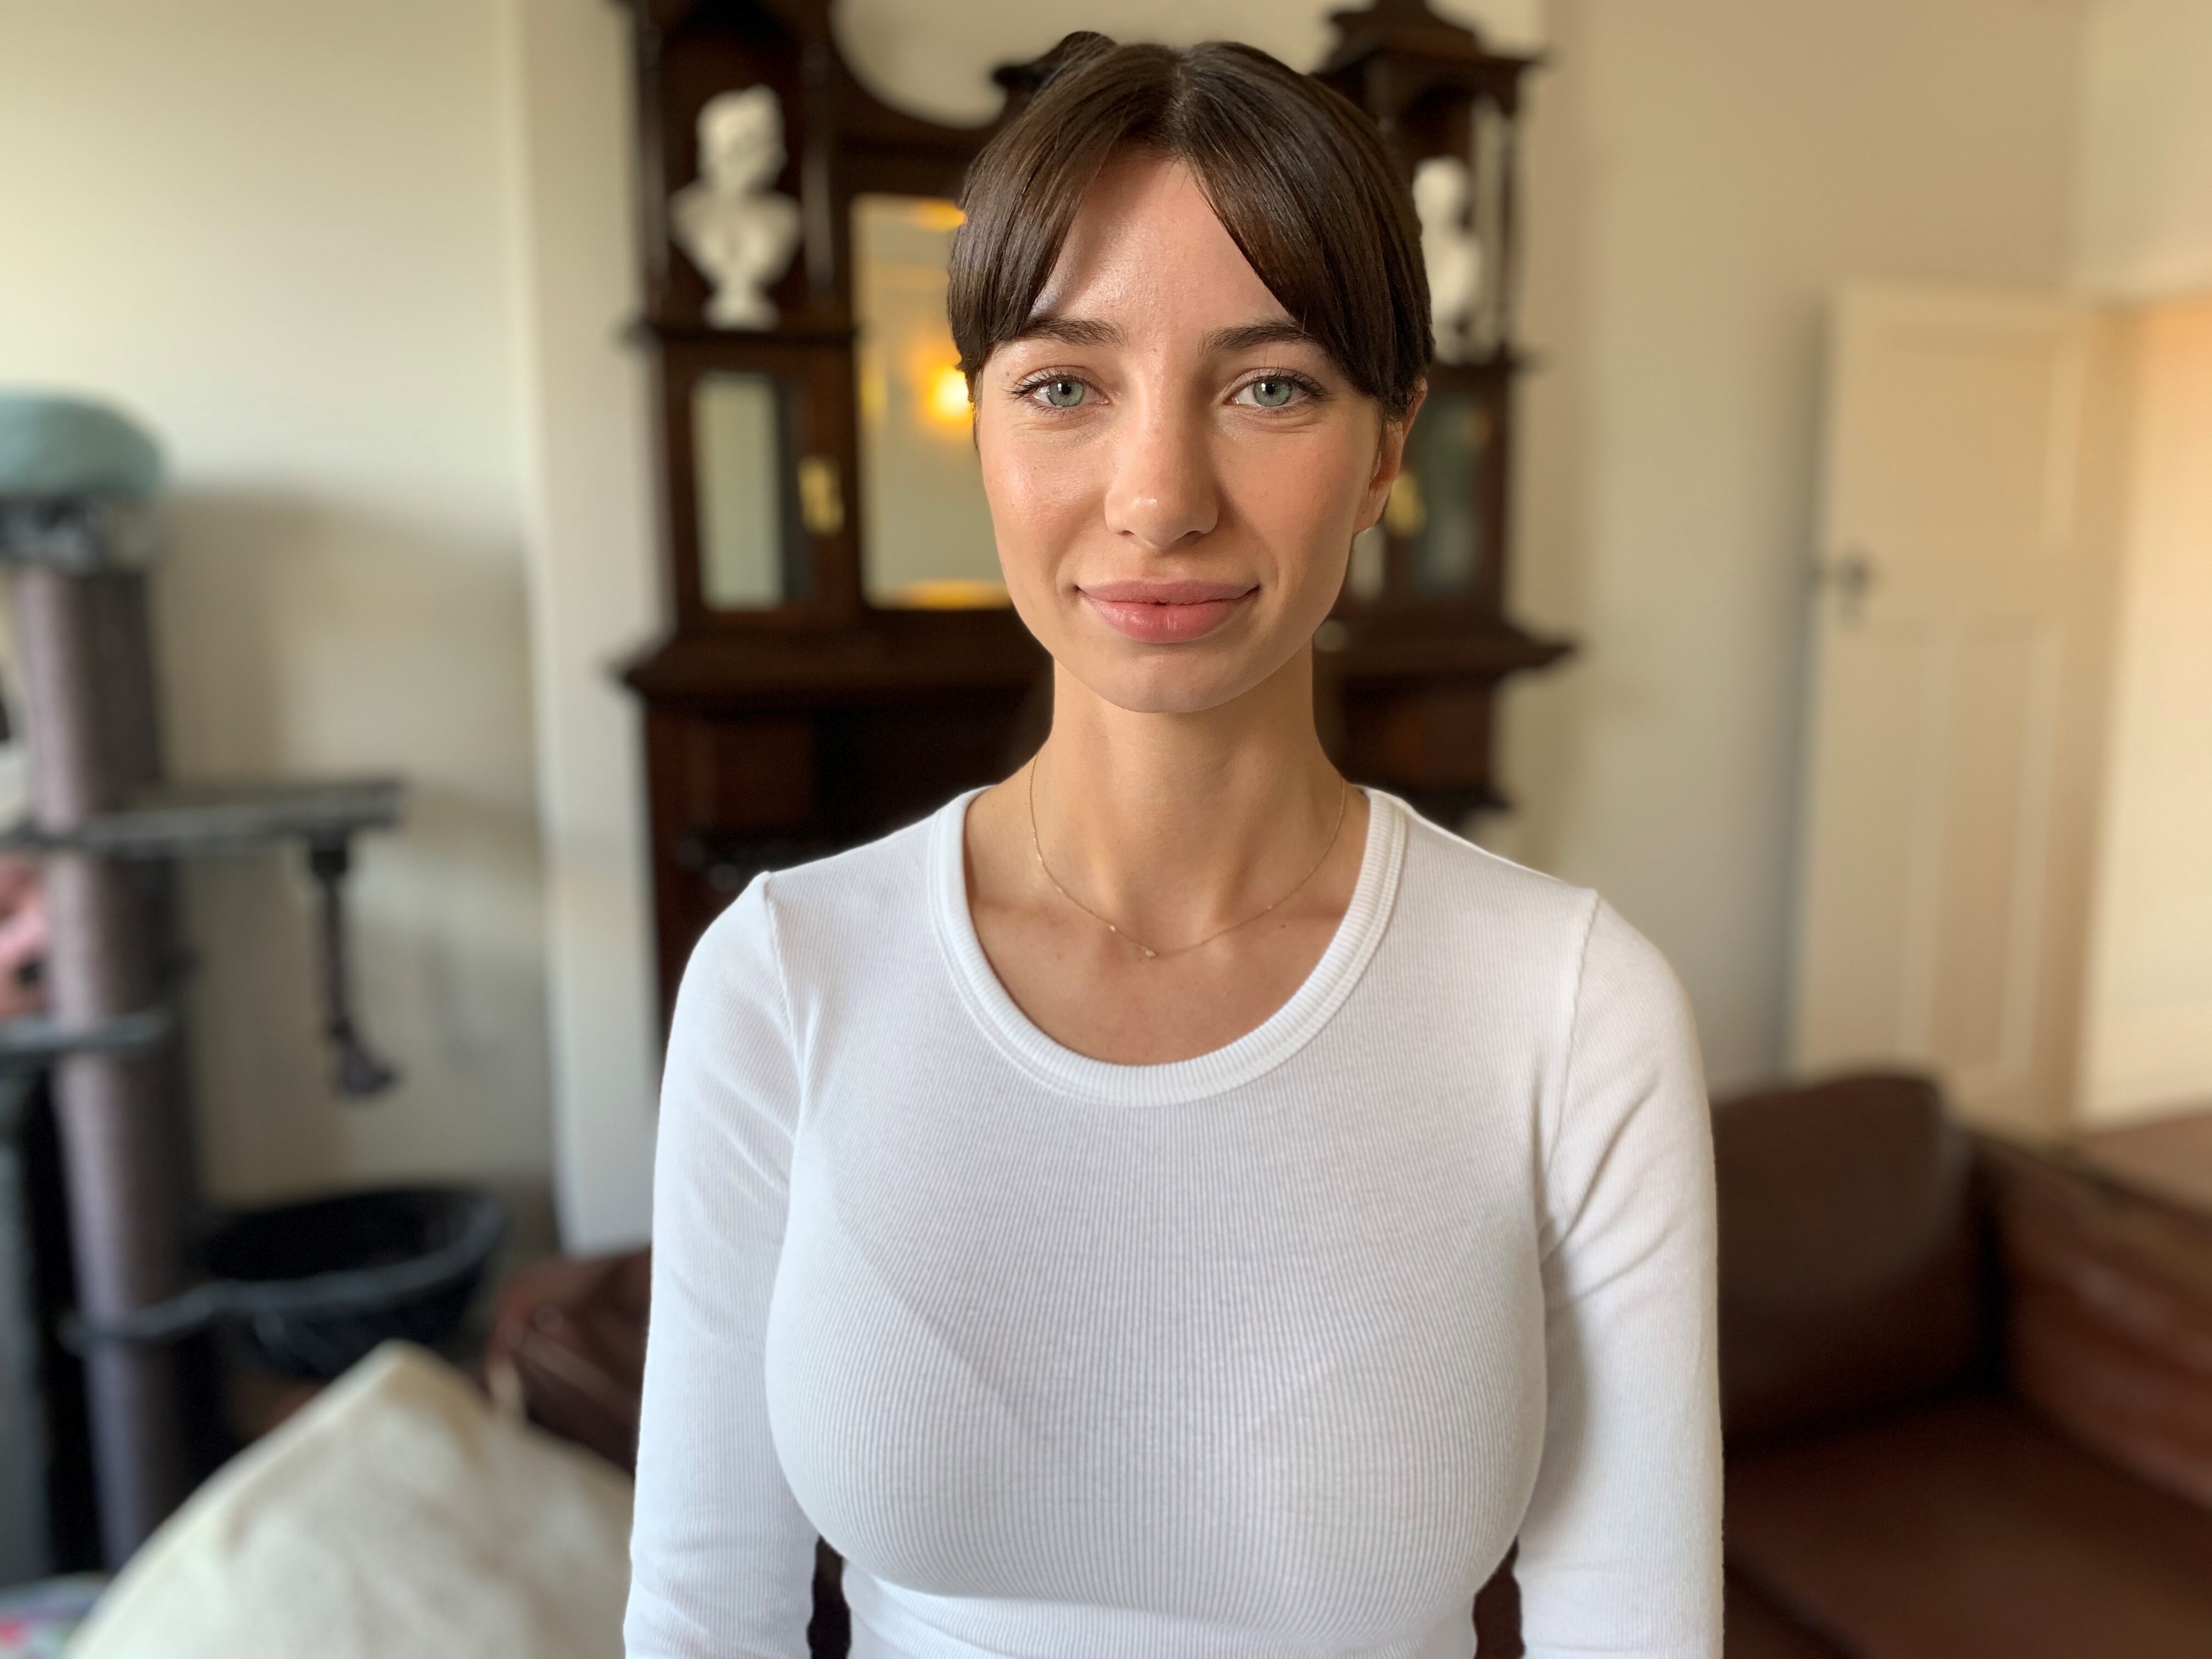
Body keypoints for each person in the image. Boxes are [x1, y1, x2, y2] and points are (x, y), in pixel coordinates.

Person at [625, 33, 1719, 1659]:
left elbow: (1632, 1624)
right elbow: (706, 1615)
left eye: (1269, 385)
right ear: (983, 425)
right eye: (1065, 386)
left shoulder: (1572, 1008)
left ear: (1386, 448)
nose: (1158, 496)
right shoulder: (785, 976)